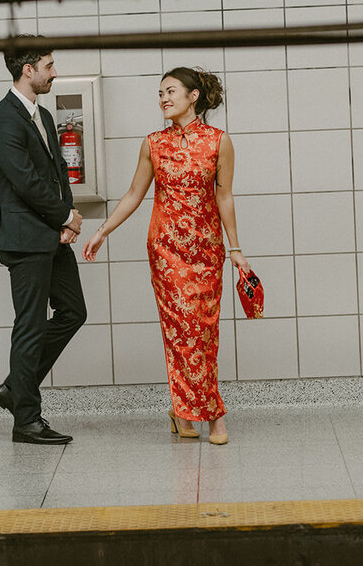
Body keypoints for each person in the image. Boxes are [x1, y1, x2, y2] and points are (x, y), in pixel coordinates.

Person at [82, 67, 248, 445]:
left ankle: (184, 410)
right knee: (180, 332)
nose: (163, 99)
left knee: (203, 331)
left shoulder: (219, 142)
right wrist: (103, 231)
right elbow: (133, 195)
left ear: (194, 97)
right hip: (167, 252)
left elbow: (224, 196)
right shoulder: (153, 144)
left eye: (171, 92)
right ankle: (214, 415)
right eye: (160, 94)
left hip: (207, 251)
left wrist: (235, 248)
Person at [0, 35, 87, 445]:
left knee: (72, 312)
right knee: (28, 326)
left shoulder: (41, 116)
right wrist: (64, 215)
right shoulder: (3, 119)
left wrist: (68, 218)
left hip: (51, 235)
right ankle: (26, 419)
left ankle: (14, 388)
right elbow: (24, 181)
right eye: (48, 66)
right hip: (25, 239)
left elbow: (58, 170)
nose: (54, 72)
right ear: (28, 70)